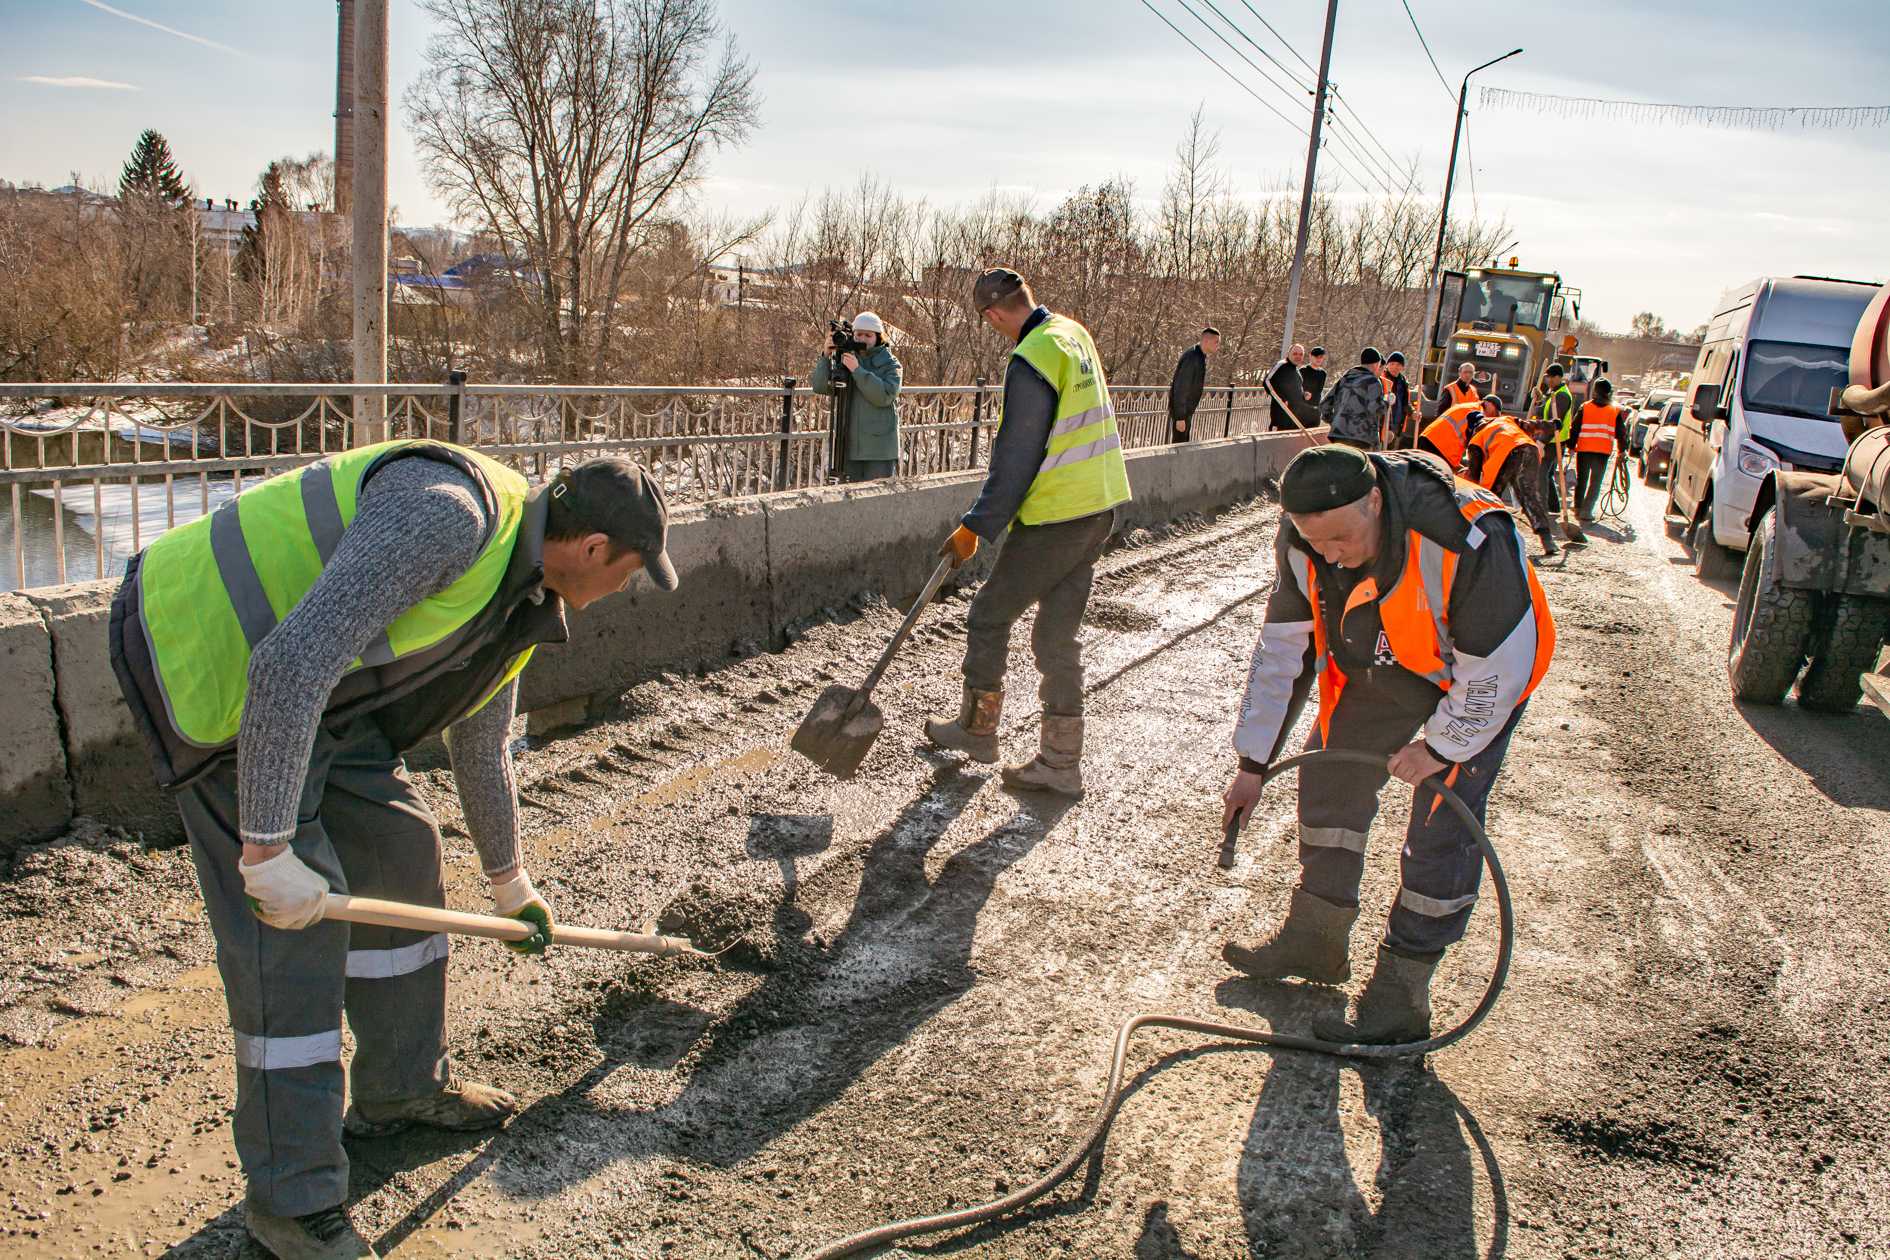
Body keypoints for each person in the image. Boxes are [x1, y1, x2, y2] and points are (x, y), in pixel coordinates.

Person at [108, 442, 678, 1259]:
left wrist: (510, 881)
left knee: (402, 851)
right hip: (212, 657)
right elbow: (287, 663)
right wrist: (267, 850)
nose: (623, 589)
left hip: (313, 698)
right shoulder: (448, 520)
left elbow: (479, 744)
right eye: (628, 573)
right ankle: (292, 1203)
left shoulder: (519, 595)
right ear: (591, 550)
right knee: (290, 940)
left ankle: (399, 1089)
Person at [1218, 444, 1556, 1044]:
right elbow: (1280, 652)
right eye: (1318, 544)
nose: (1332, 557)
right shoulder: (1306, 536)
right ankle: (1317, 938)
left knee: (1440, 819)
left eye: (1342, 540)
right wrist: (1253, 762)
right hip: (1392, 665)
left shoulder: (1468, 535)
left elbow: (1497, 671)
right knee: (1329, 775)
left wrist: (1444, 747)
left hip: (1482, 673)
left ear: (1375, 500)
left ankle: (1402, 994)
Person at [924, 267, 1132, 797]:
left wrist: (977, 526)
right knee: (1056, 635)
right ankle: (1062, 762)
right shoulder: (1072, 334)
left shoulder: (1031, 358)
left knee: (989, 615)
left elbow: (1017, 458)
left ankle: (977, 730)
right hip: (1100, 503)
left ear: (993, 315)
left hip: (1058, 514)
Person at [810, 310, 903, 482]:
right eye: (858, 334)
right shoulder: (846, 358)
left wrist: (857, 371)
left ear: (879, 337)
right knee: (850, 503)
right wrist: (825, 356)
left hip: (879, 450)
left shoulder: (891, 364)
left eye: (868, 335)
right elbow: (821, 387)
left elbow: (883, 396)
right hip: (848, 446)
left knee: (877, 503)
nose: (862, 339)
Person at [1465, 396, 1558, 556]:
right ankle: (1547, 539)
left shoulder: (1476, 438)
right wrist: (1554, 424)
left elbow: (1474, 478)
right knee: (1529, 495)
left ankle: (1491, 539)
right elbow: (1533, 425)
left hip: (1506, 456)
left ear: (1472, 428)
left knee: (1492, 498)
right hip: (1529, 449)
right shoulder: (1507, 420)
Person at [1572, 379, 1630, 521]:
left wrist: (1571, 445)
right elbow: (1622, 433)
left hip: (1584, 450)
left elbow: (1575, 428)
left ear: (1595, 391)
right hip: (1602, 452)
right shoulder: (1614, 410)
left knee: (1581, 480)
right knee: (1595, 482)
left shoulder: (1585, 407)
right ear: (1609, 392)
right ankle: (1586, 510)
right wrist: (1622, 450)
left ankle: (1578, 508)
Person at [1319, 347, 1391, 450]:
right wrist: (1387, 402)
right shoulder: (1372, 382)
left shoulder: (1345, 378)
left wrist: (1336, 422)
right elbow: (1374, 409)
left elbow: (1324, 405)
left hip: (1338, 435)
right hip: (1361, 438)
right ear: (1374, 364)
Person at [1167, 326, 1221, 442]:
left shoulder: (1199, 356)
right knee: (1179, 447)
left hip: (1187, 411)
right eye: (1216, 342)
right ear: (1206, 341)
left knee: (1184, 446)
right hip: (1182, 412)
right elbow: (1181, 388)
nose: (1218, 346)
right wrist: (1180, 417)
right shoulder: (1192, 357)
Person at [1536, 364, 1576, 515]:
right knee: (1548, 473)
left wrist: (1542, 441)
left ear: (1560, 377)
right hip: (1552, 440)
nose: (1549, 379)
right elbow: (1545, 409)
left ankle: (1542, 508)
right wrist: (1540, 398)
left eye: (1553, 377)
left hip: (1553, 441)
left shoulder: (1562, 395)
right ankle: (1553, 506)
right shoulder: (1554, 392)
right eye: (1548, 376)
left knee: (1541, 473)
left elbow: (1555, 421)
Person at [1267, 344, 1317, 432]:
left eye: (1301, 354)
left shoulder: (1296, 370)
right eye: (1295, 354)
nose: (1298, 357)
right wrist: (1282, 399)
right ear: (1288, 353)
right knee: (1276, 442)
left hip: (1294, 417)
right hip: (1280, 416)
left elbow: (1293, 390)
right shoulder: (1281, 365)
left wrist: (1303, 394)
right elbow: (1267, 382)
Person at [1417, 399, 1481, 468]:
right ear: (1491, 404)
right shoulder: (1480, 414)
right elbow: (1474, 444)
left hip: (1429, 437)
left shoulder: (1471, 406)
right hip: (1443, 449)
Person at [1384, 351, 1413, 448]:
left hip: (1397, 427)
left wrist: (1412, 413)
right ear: (1387, 365)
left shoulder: (1404, 383)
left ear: (1402, 367)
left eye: (1398, 364)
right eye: (1392, 364)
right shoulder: (1382, 379)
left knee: (1390, 455)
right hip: (1383, 425)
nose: (1394, 367)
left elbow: (1405, 404)